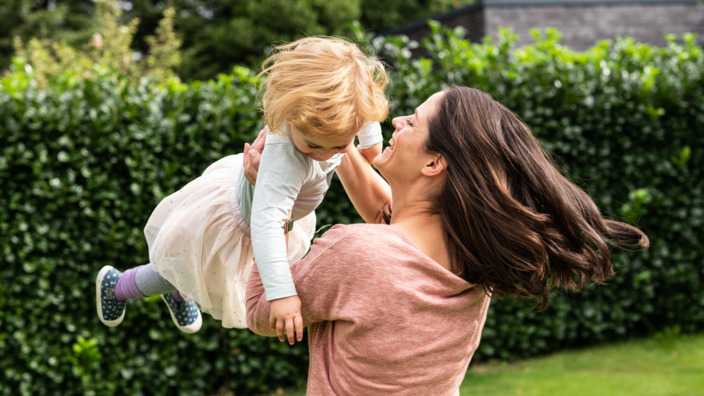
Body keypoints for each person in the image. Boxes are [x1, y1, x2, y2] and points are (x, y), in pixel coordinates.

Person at [244, 86, 649, 395]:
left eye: (413, 122)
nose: (398, 121)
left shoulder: (355, 252)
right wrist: (337, 139)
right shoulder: (469, 257)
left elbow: (262, 309)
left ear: (435, 163)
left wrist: (272, 202)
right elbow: (389, 220)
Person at [95, 37, 389, 337]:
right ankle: (116, 287)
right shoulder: (286, 157)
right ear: (288, 115)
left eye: (339, 145)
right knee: (177, 271)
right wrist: (281, 293)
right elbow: (269, 224)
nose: (326, 155)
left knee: (188, 269)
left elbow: (362, 109)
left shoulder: (344, 110)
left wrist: (370, 143)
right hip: (239, 225)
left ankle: (178, 286)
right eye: (313, 145)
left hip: (270, 210)